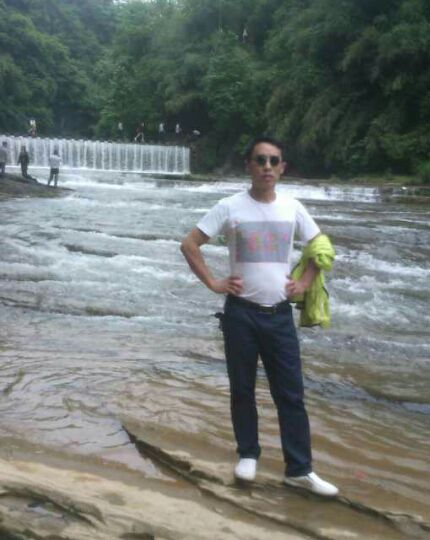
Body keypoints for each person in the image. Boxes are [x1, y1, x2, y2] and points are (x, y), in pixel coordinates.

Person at [180, 136, 339, 497]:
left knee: (291, 395)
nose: (267, 166)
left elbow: (321, 247)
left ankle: (299, 470)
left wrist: (304, 282)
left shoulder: (293, 207)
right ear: (248, 166)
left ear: (282, 168)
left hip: (279, 316)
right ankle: (248, 454)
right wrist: (214, 283)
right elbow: (189, 245)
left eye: (273, 161)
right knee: (242, 389)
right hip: (240, 315)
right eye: (260, 160)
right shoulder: (229, 207)